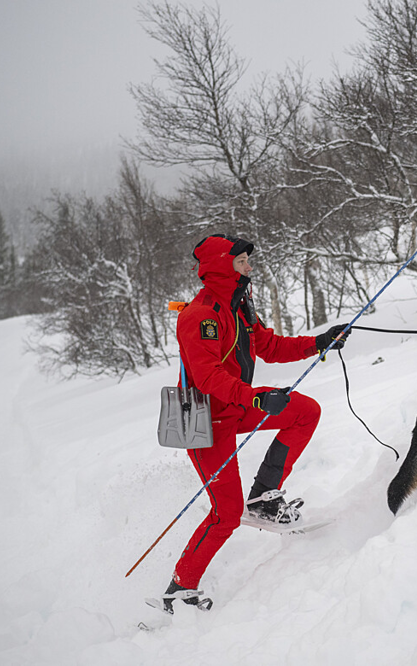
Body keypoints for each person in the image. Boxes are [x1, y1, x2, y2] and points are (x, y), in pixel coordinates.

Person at [162, 234, 349, 611]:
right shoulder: (198, 316)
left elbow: (268, 345)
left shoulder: (239, 305)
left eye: (248, 260)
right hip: (204, 421)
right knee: (225, 515)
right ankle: (181, 586)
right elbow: (208, 377)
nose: (249, 266)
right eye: (242, 261)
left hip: (236, 406)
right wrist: (257, 397)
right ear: (221, 266)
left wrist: (318, 343)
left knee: (304, 411)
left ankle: (264, 496)